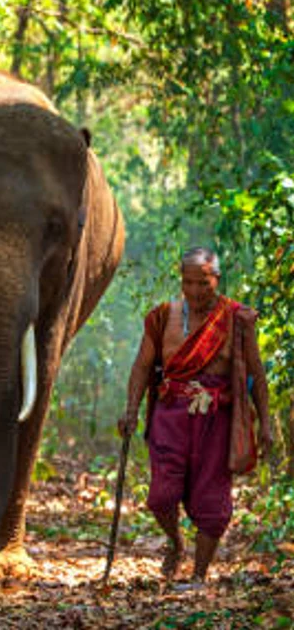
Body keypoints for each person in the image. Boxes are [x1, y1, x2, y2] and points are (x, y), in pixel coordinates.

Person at [118, 246, 272, 585]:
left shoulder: (236, 319)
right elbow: (142, 366)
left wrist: (266, 423)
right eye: (188, 283)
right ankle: (176, 543)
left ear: (217, 279)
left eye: (203, 283)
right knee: (161, 497)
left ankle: (199, 576)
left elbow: (256, 374)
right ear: (181, 282)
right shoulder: (162, 317)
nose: (195, 291)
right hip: (170, 417)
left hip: (217, 421)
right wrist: (131, 410)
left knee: (212, 501)